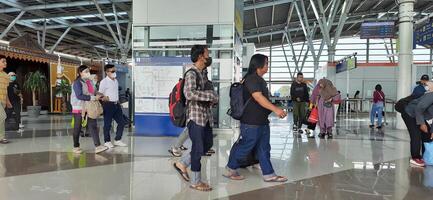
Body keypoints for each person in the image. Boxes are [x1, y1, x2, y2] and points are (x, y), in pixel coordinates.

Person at [223, 54, 288, 183]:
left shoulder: (259, 79)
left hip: (261, 121)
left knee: (264, 147)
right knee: (245, 146)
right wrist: (276, 109)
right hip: (251, 122)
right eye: (266, 63)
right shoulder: (252, 79)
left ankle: (269, 174)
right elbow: (258, 97)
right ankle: (230, 169)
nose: (268, 66)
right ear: (259, 65)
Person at [173, 45, 218, 191]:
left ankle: (182, 163)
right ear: (200, 56)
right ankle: (196, 181)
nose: (209, 56)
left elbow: (204, 93)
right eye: (207, 54)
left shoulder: (203, 73)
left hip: (206, 117)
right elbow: (189, 94)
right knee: (198, 148)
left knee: (208, 144)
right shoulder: (191, 73)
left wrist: (212, 98)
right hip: (195, 116)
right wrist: (210, 95)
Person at [70, 65, 108, 154]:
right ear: (80, 73)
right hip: (79, 107)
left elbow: (94, 91)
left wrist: (101, 95)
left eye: (88, 71)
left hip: (89, 107)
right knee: (77, 128)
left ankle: (98, 146)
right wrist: (94, 98)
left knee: (93, 126)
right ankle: (76, 146)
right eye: (86, 71)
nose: (88, 73)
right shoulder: (77, 83)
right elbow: (79, 96)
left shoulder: (89, 81)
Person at [403, 84, 433, 167]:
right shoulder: (431, 96)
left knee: (428, 135)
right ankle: (415, 157)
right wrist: (422, 124)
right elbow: (419, 108)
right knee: (416, 135)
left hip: (420, 116)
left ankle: (425, 156)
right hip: (410, 113)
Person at [99, 64, 128, 148]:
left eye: (114, 71)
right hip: (108, 105)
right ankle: (107, 141)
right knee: (107, 124)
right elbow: (100, 94)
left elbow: (115, 93)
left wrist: (118, 102)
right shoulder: (104, 82)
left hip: (116, 104)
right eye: (112, 71)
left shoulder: (116, 81)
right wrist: (104, 98)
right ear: (107, 72)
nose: (114, 72)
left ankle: (117, 140)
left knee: (122, 122)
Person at [0, 55, 12, 144]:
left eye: (6, 61)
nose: (5, 63)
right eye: (3, 61)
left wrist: (8, 102)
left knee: (2, 119)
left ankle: (1, 137)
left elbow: (6, 90)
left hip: (3, 100)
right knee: (2, 116)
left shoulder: (6, 76)